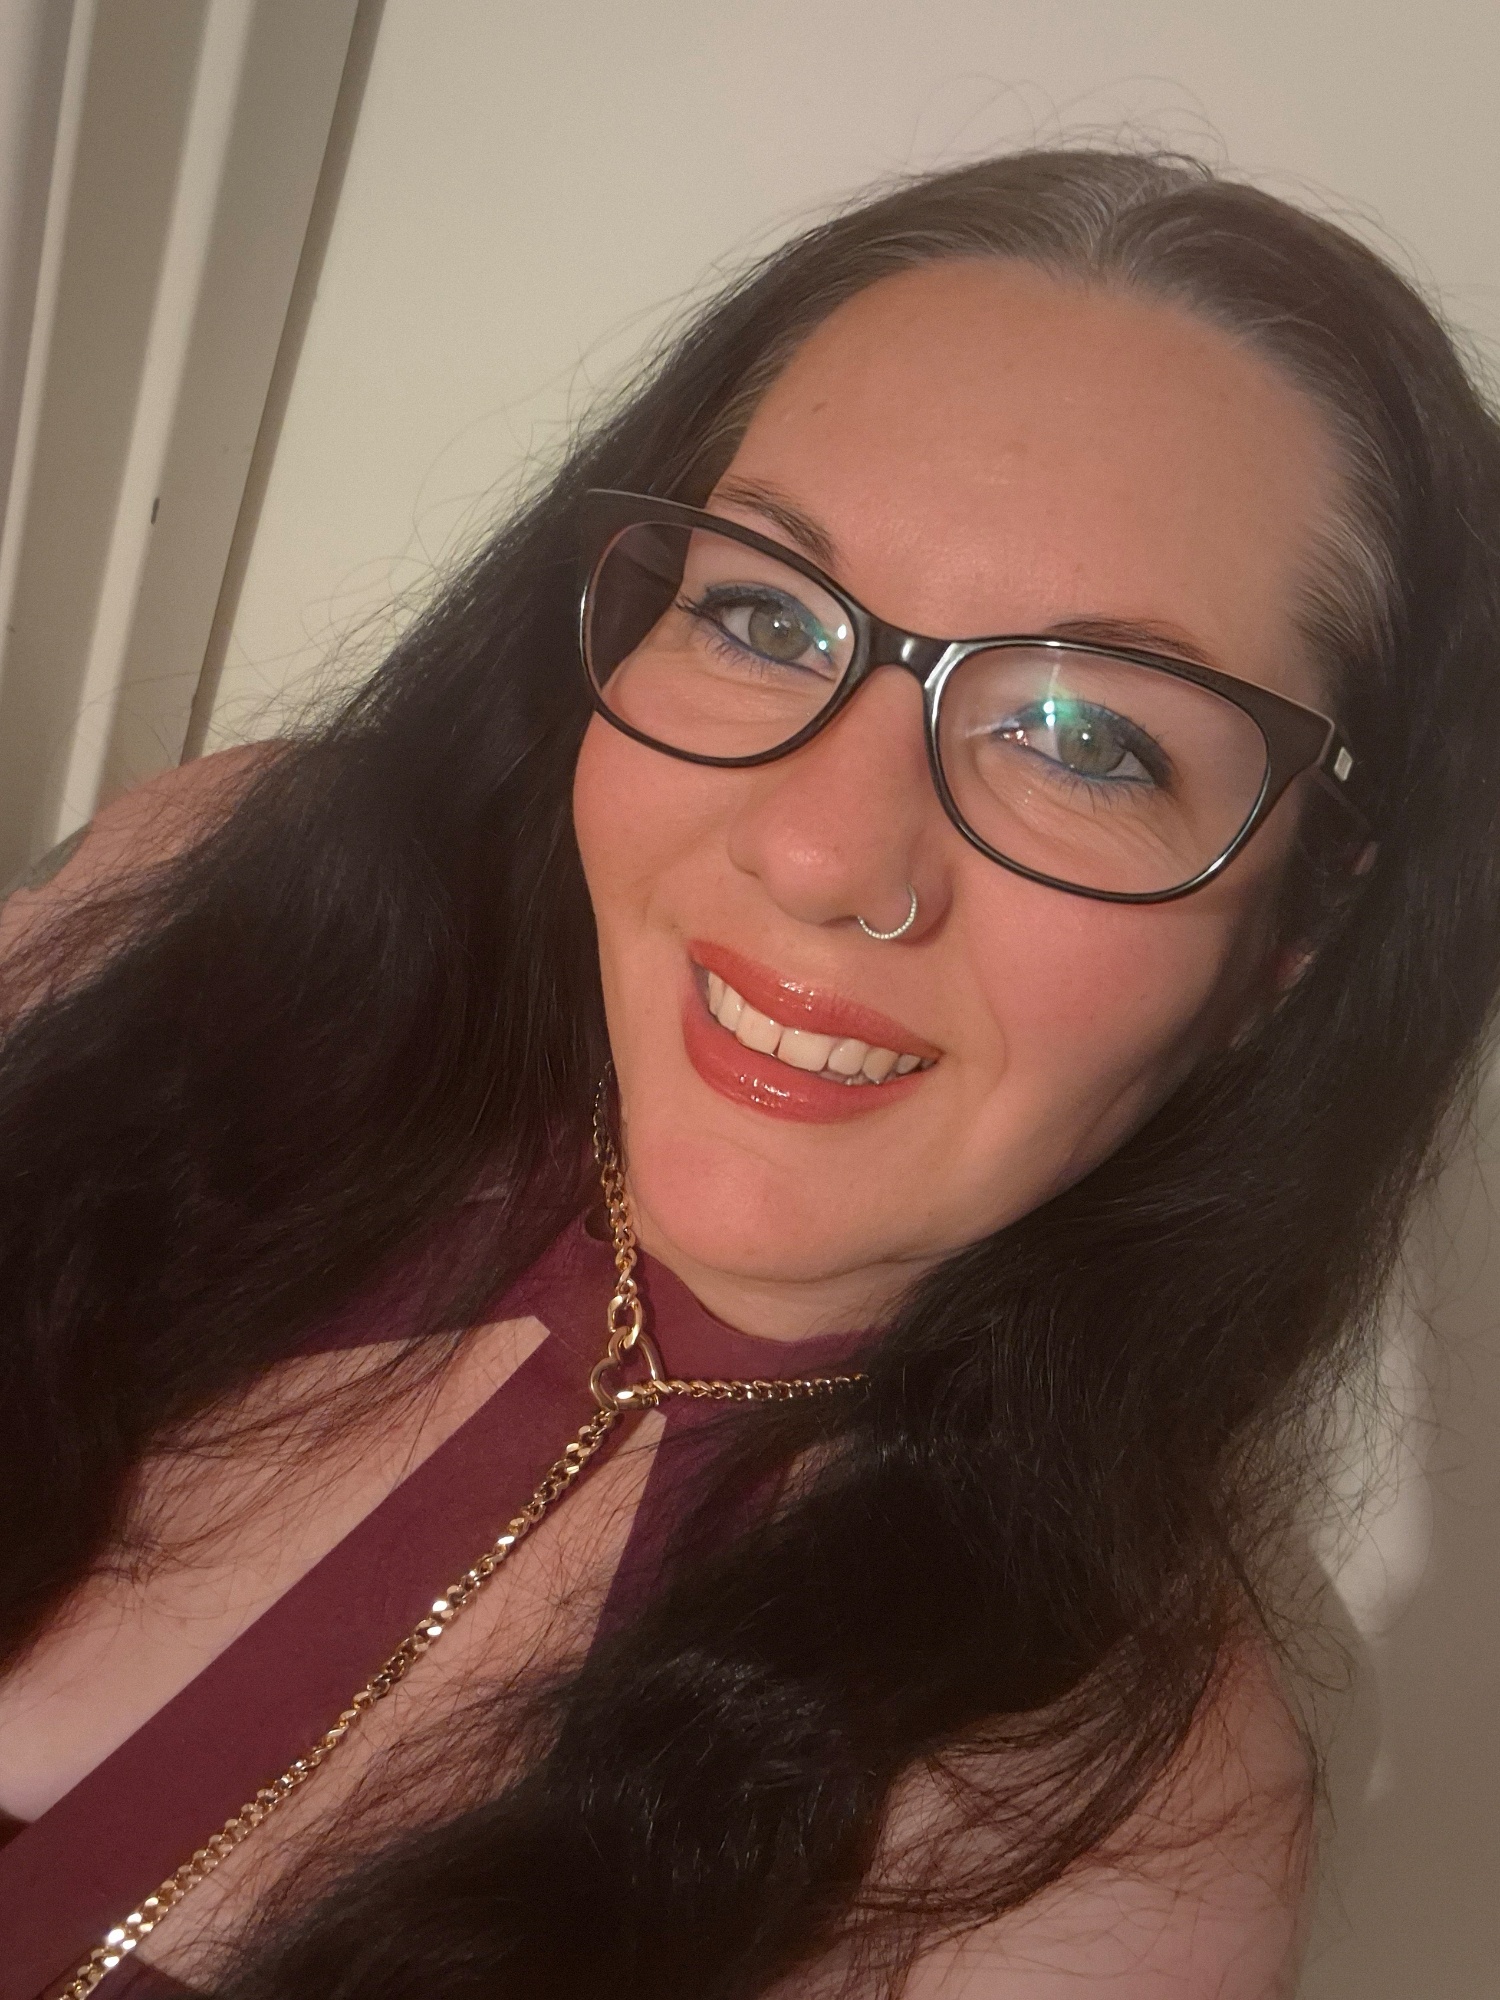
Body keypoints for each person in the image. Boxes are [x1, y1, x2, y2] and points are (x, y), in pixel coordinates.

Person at [0, 147, 1497, 2000]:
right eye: (766, 614)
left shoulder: (1116, 1851)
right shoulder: (206, 920)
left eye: (1083, 738)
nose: (817, 852)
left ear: (1296, 935)